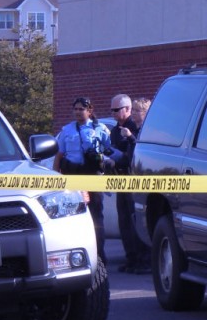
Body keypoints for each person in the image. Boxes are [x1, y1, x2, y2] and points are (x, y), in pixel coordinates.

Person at [53, 97, 114, 265]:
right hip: (72, 175)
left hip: (92, 176)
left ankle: (99, 256)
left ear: (90, 110)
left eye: (82, 109)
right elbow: (59, 155)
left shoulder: (99, 129)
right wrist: (55, 177)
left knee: (96, 216)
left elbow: (110, 152)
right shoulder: (67, 130)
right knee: (71, 214)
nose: (78, 112)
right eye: (76, 109)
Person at [108, 94, 152, 274]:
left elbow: (140, 153)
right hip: (121, 179)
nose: (134, 114)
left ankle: (145, 261)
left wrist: (131, 138)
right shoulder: (115, 130)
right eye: (133, 110)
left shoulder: (142, 129)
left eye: (137, 110)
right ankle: (132, 259)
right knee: (125, 221)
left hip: (136, 181)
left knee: (137, 222)